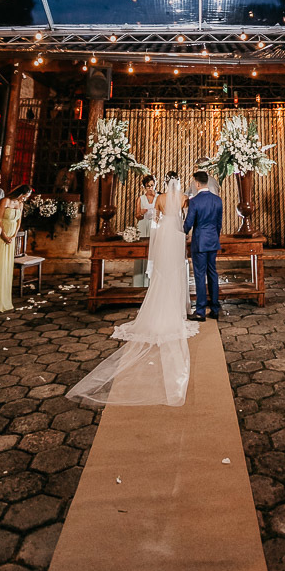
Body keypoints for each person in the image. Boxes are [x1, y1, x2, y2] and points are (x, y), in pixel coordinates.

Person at [68, 177, 198, 406]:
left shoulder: (159, 199)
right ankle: (178, 306)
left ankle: (158, 304)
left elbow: (156, 221)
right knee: (177, 269)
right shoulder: (183, 199)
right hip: (176, 236)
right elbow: (186, 220)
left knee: (162, 272)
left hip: (163, 236)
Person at [184, 170, 223, 320]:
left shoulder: (194, 201)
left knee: (200, 276)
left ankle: (200, 311)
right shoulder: (217, 200)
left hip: (199, 242)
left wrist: (181, 231)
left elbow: (189, 224)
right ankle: (214, 308)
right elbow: (219, 224)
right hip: (213, 240)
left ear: (197, 183)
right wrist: (214, 236)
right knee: (213, 274)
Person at [0, 185, 31, 314]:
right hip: (1, 237)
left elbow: (19, 222)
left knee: (6, 267)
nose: (24, 199)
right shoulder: (5, 201)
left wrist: (13, 236)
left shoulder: (20, 204)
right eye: (24, 196)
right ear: (20, 193)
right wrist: (4, 235)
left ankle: (4, 298)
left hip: (11, 239)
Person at [133, 175, 158, 288]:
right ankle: (139, 283)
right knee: (141, 252)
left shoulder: (159, 198)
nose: (150, 188)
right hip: (143, 225)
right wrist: (141, 212)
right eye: (148, 186)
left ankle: (152, 283)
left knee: (154, 252)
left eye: (152, 185)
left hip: (155, 226)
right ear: (144, 187)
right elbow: (137, 216)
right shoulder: (141, 199)